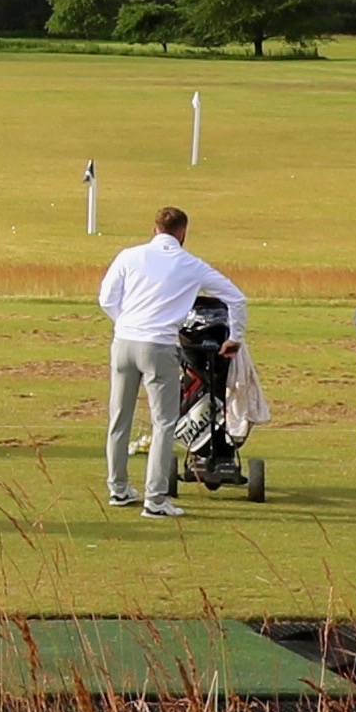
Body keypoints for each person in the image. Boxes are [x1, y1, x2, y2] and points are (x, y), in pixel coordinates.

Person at [95, 202, 242, 517]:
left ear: (154, 229)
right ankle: (155, 499)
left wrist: (126, 323)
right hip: (159, 347)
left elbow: (106, 298)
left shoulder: (129, 256)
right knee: (163, 423)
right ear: (183, 232)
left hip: (123, 343)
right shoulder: (191, 264)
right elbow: (236, 297)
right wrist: (235, 337)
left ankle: (118, 488)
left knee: (119, 418)